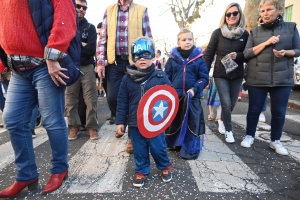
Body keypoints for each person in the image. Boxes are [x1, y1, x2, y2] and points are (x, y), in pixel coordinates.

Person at [0, 0, 79, 198]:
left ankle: (60, 169)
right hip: (18, 68)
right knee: (12, 119)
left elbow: (65, 14)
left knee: (51, 121)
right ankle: (26, 175)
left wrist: (53, 56)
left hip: (45, 65)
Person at [241, 0, 300, 155]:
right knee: (254, 110)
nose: (265, 13)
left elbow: (298, 50)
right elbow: (247, 53)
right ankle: (249, 135)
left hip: (283, 78)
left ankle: (276, 141)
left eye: (269, 9)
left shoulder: (291, 27)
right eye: (262, 11)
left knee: (279, 112)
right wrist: (267, 43)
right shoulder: (255, 32)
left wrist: (285, 53)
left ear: (279, 10)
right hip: (257, 77)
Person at [97, 0, 152, 154]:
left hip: (133, 63)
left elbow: (148, 37)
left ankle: (131, 137)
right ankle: (123, 121)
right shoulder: (109, 10)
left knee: (134, 101)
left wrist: (148, 60)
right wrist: (100, 63)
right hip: (114, 63)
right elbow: (103, 39)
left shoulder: (142, 10)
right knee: (113, 98)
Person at [116, 37, 172, 188]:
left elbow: (169, 98)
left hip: (155, 124)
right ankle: (141, 170)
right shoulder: (127, 79)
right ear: (132, 58)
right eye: (137, 55)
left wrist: (167, 119)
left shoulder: (160, 77)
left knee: (158, 148)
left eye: (146, 54)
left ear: (154, 56)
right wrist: (121, 122)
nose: (141, 58)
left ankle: (165, 166)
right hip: (135, 124)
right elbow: (122, 102)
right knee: (139, 150)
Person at [203, 3, 249, 143]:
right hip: (220, 74)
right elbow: (209, 54)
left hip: (237, 74)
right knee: (226, 102)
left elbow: (248, 54)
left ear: (240, 15)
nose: (231, 16)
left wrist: (239, 56)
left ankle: (223, 119)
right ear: (225, 16)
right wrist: (204, 76)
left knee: (232, 103)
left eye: (234, 13)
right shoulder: (217, 33)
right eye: (228, 14)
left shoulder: (245, 34)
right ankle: (229, 130)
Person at [165, 28, 209, 160]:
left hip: (192, 97)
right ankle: (176, 143)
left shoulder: (199, 59)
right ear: (178, 43)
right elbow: (167, 76)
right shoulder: (172, 59)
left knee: (192, 122)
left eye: (190, 39)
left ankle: (190, 148)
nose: (187, 42)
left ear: (193, 41)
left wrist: (195, 89)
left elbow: (204, 78)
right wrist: (168, 89)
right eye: (184, 40)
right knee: (176, 120)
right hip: (176, 97)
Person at [65, 0, 99, 141]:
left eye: (84, 8)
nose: (81, 9)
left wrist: (75, 46)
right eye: (78, 6)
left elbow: (91, 49)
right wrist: (81, 45)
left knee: (91, 97)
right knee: (70, 97)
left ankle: (92, 127)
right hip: (70, 66)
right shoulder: (66, 25)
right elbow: (64, 47)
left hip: (87, 66)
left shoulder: (90, 28)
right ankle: (74, 126)